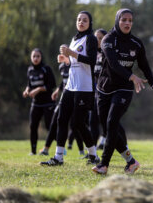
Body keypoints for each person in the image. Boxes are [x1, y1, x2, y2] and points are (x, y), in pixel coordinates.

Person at [91, 8, 153, 175]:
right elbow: (113, 64)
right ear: (117, 21)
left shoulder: (136, 43)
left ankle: (103, 165)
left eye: (130, 20)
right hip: (104, 89)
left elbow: (144, 66)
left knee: (112, 122)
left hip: (124, 89)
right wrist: (132, 76)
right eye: (124, 20)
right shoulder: (108, 40)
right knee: (109, 129)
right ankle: (131, 162)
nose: (127, 23)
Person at [41, 11, 99, 166]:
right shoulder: (75, 38)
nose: (81, 22)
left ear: (90, 23)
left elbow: (91, 61)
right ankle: (58, 157)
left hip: (84, 88)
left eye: (85, 20)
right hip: (70, 86)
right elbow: (75, 62)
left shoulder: (91, 39)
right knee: (61, 119)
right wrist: (66, 59)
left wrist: (71, 53)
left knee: (78, 123)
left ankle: (93, 155)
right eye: (79, 19)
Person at [39, 61, 84, 156]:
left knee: (75, 125)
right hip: (64, 99)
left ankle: (83, 151)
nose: (62, 55)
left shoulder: (75, 64)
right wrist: (57, 90)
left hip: (74, 98)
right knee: (54, 123)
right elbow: (64, 81)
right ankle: (46, 149)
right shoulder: (61, 66)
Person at [23, 48, 56, 155]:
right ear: (31, 58)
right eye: (34, 56)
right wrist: (27, 90)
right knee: (33, 126)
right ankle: (33, 151)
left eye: (38, 56)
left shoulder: (46, 69)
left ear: (41, 57)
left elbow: (52, 85)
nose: (36, 58)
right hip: (36, 103)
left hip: (48, 102)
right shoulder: (30, 70)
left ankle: (60, 148)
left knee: (49, 126)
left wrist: (38, 89)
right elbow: (30, 84)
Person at [90, 28, 108, 149]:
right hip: (94, 92)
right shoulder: (92, 53)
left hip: (105, 92)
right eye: (96, 37)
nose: (98, 40)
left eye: (100, 38)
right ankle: (92, 149)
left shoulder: (107, 53)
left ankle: (105, 140)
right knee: (93, 121)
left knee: (106, 120)